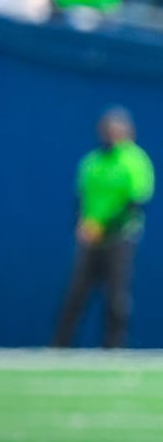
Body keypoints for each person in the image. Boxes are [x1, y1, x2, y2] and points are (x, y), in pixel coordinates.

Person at [53, 107, 154, 349]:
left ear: (129, 132)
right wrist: (83, 224)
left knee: (116, 296)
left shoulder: (135, 160)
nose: (112, 134)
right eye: (108, 129)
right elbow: (81, 199)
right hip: (90, 238)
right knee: (75, 294)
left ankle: (113, 349)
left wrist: (103, 227)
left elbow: (135, 203)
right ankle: (59, 348)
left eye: (117, 129)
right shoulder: (92, 162)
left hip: (120, 237)